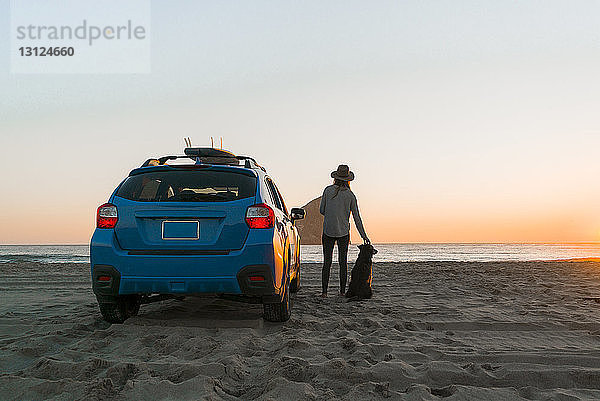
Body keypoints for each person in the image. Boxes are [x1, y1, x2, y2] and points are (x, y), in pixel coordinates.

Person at [319, 164, 369, 297]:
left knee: (327, 262)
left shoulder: (327, 191)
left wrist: (332, 213)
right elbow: (357, 218)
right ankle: (341, 292)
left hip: (328, 230)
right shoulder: (350, 195)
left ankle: (324, 292)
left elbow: (322, 210)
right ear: (348, 179)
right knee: (343, 262)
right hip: (343, 233)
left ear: (335, 177)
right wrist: (364, 236)